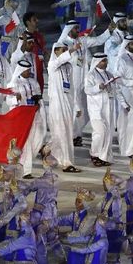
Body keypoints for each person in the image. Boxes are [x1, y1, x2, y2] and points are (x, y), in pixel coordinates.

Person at [57, 19, 111, 147]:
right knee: (75, 108)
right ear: (70, 30)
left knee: (85, 109)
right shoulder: (63, 44)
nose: (78, 30)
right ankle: (73, 135)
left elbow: (98, 40)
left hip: (84, 79)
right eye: (76, 28)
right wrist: (71, 50)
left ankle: (77, 132)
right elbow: (59, 60)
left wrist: (109, 30)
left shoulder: (82, 41)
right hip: (71, 81)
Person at [6, 59, 47, 178]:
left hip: (35, 115)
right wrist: (16, 99)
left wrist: (38, 103)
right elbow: (9, 101)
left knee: (38, 139)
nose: (29, 71)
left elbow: (39, 96)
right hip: (22, 118)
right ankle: (26, 171)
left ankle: (21, 163)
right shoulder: (13, 84)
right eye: (27, 70)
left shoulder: (34, 82)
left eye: (30, 69)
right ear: (21, 70)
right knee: (27, 143)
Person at [47, 41, 83, 172]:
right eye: (62, 50)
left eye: (66, 50)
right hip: (57, 104)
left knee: (67, 133)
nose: (65, 53)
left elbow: (72, 88)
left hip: (68, 103)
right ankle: (66, 163)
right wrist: (72, 49)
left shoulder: (69, 67)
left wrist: (76, 106)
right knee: (60, 131)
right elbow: (59, 61)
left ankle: (53, 153)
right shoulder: (52, 65)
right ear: (55, 51)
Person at [85, 53, 124, 167]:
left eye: (106, 61)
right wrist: (98, 87)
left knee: (108, 133)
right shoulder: (90, 75)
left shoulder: (109, 74)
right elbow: (87, 90)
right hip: (96, 108)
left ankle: (104, 156)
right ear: (97, 62)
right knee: (100, 132)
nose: (105, 63)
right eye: (103, 61)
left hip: (109, 107)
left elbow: (116, 90)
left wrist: (124, 104)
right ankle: (94, 154)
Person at [59, 188, 97, 264]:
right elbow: (62, 220)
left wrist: (66, 235)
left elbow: (82, 234)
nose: (76, 203)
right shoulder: (76, 214)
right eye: (76, 200)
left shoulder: (91, 216)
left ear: (85, 202)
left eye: (79, 201)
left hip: (84, 248)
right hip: (73, 246)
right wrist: (50, 222)